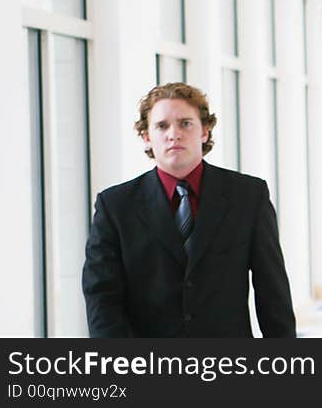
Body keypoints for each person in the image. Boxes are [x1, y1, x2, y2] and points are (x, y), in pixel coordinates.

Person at [82, 82, 296, 337]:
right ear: (146, 137)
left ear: (204, 131)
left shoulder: (248, 196)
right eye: (162, 126)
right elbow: (101, 297)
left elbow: (272, 290)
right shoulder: (115, 206)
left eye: (185, 123)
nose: (174, 134)